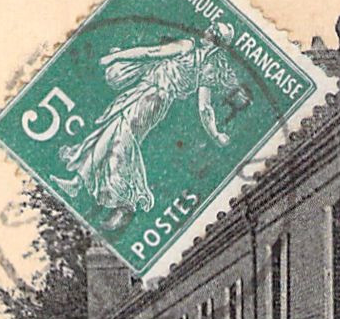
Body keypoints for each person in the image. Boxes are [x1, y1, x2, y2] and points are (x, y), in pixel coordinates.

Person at [53, 20, 241, 233]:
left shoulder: (188, 47)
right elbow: (204, 108)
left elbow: (151, 52)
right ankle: (78, 182)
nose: (205, 29)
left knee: (120, 143)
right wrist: (215, 134)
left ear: (212, 36)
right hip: (149, 96)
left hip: (151, 97)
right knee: (109, 131)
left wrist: (116, 56)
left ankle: (125, 202)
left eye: (210, 29)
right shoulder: (208, 67)